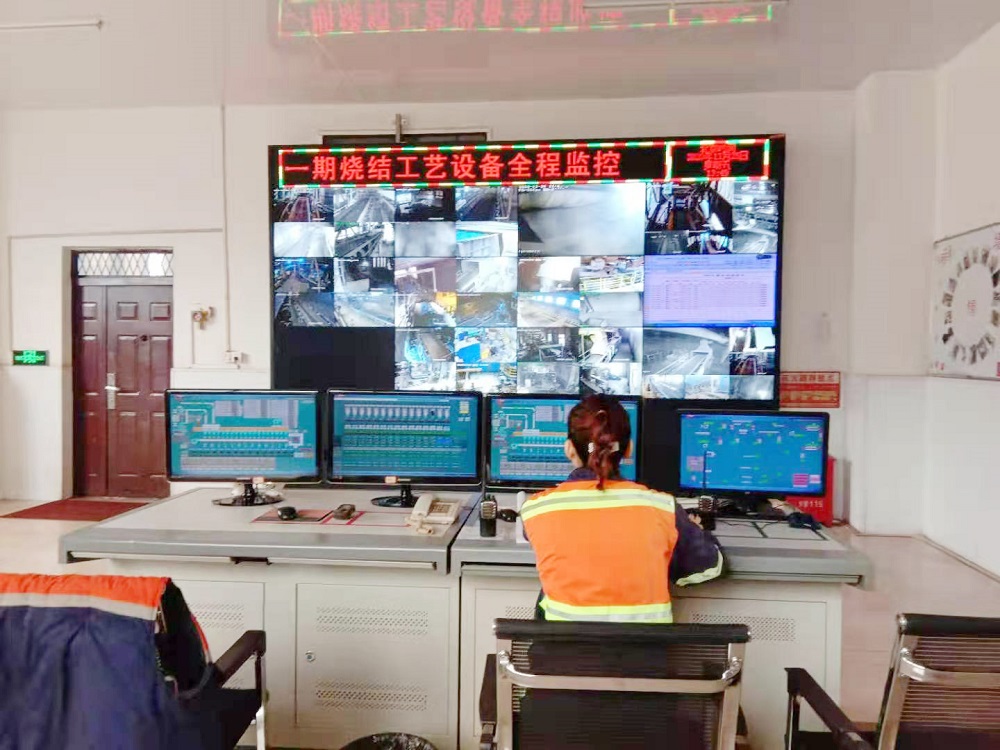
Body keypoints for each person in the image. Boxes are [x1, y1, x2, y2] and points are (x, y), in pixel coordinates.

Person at [521, 395, 723, 623]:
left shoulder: (536, 509)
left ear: (569, 449)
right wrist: (694, 531)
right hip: (644, 646)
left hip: (562, 645)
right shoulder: (663, 508)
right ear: (629, 449)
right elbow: (709, 567)